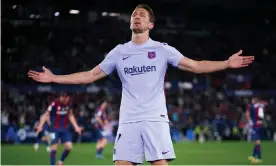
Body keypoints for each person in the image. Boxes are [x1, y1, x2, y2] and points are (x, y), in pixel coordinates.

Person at [28, 4, 254, 165]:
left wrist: (226, 63)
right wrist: (54, 78)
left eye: (142, 15)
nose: (136, 16)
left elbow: (195, 66)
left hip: (155, 118)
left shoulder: (162, 49)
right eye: (134, 14)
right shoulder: (119, 51)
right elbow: (89, 75)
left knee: (159, 164)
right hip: (128, 120)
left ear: (151, 24)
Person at [36, 93, 82, 165]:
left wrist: (76, 126)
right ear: (62, 97)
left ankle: (60, 161)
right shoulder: (54, 104)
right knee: (54, 148)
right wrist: (40, 126)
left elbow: (70, 115)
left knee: (69, 147)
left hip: (65, 129)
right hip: (54, 129)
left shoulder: (68, 104)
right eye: (66, 98)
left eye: (68, 98)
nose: (67, 99)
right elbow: (46, 114)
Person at [246, 97, 266, 164]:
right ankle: (253, 156)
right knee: (256, 140)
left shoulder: (252, 106)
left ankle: (259, 158)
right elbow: (262, 115)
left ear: (254, 100)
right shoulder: (262, 105)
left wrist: (250, 122)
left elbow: (247, 114)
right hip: (261, 124)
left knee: (257, 141)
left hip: (255, 124)